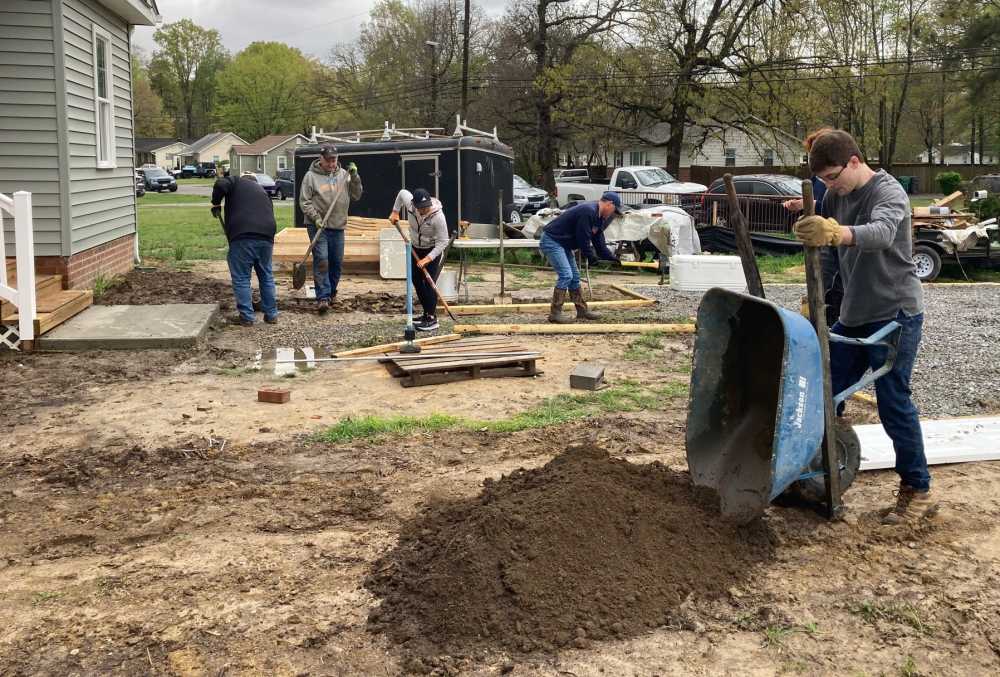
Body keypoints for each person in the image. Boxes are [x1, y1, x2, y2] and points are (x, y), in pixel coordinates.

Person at [792, 128, 932, 525]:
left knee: (894, 402)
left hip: (896, 312)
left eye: (833, 177)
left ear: (854, 162)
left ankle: (916, 488)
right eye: (823, 181)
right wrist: (815, 297)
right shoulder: (837, 195)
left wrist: (836, 231)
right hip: (854, 313)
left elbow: (881, 234)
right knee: (824, 391)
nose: (829, 186)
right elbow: (832, 257)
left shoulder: (889, 193)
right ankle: (821, 472)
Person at [783, 129, 843, 326]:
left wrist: (807, 205)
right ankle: (815, 323)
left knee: (831, 285)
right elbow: (822, 205)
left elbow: (833, 208)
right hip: (820, 241)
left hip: (837, 239)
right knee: (816, 284)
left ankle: (828, 323)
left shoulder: (837, 176)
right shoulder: (818, 178)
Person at [299, 144, 363, 314]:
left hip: (338, 225)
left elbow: (356, 195)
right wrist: (316, 218)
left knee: (336, 262)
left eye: (334, 160)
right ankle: (323, 298)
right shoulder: (310, 177)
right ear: (321, 159)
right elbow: (304, 202)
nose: (331, 163)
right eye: (328, 160)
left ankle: (332, 292)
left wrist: (355, 177)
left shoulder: (344, 176)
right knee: (322, 260)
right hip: (318, 226)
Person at [539, 191, 622, 323]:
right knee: (566, 275)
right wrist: (591, 257)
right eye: (614, 209)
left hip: (563, 243)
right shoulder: (588, 211)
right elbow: (583, 238)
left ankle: (582, 311)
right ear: (609, 204)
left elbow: (599, 242)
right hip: (552, 240)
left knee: (575, 276)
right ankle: (555, 313)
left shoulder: (599, 218)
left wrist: (611, 258)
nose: (613, 213)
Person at [211, 172, 278, 327]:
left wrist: (216, 203)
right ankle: (271, 314)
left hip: (243, 235)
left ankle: (247, 317)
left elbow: (221, 184)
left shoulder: (236, 181)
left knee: (241, 277)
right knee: (266, 276)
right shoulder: (263, 193)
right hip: (266, 236)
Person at [389, 188, 450, 331]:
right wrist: (395, 211)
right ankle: (426, 313)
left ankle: (432, 318)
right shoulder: (409, 203)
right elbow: (401, 192)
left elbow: (443, 241)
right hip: (415, 247)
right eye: (421, 208)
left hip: (432, 249)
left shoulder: (438, 217)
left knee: (429, 282)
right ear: (414, 205)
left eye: (426, 206)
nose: (425, 210)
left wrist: (428, 258)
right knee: (416, 280)